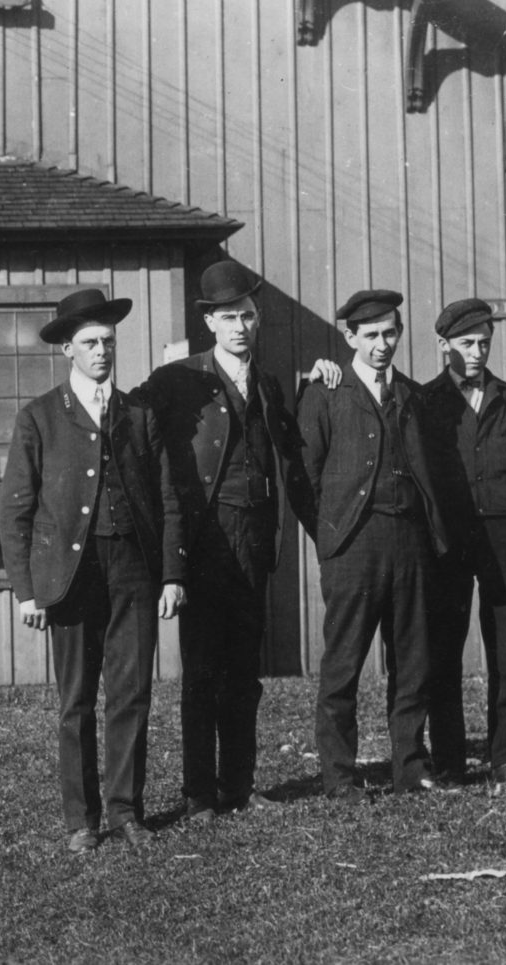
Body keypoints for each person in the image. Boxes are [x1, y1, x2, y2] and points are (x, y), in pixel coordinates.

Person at [133, 260, 324, 822]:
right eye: (229, 318)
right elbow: (131, 417)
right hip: (203, 542)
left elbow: (292, 449)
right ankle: (199, 796)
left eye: (247, 315)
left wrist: (320, 379)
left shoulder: (265, 383)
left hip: (254, 543)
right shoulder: (178, 379)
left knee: (244, 672)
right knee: (201, 672)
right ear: (210, 324)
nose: (241, 326)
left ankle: (239, 786)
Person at [0, 288, 185, 853]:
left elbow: (169, 498)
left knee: (131, 694)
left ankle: (127, 811)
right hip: (69, 576)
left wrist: (172, 575)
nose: (102, 351)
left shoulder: (138, 413)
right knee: (76, 699)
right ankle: (82, 820)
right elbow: (15, 511)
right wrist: (27, 592)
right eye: (90, 343)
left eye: (108, 341)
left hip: (133, 568)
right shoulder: (39, 417)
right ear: (67, 351)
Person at [297, 289, 448, 803]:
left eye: (391, 334)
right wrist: (331, 535)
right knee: (343, 664)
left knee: (412, 661)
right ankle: (338, 776)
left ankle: (411, 767)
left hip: (409, 543)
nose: (383, 345)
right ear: (350, 337)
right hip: (353, 548)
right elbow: (303, 478)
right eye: (372, 335)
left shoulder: (413, 395)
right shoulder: (325, 392)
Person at [421, 298, 506, 787]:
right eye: (466, 344)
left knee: (505, 650)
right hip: (449, 541)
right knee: (444, 648)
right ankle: (448, 759)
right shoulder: (425, 402)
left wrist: (502, 506)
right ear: (444, 345)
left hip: (503, 537)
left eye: (484, 343)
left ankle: (504, 756)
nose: (476, 352)